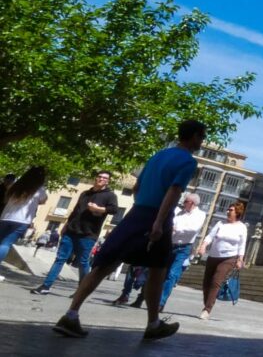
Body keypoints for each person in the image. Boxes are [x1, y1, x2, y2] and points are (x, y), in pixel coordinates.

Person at [51, 119, 207, 342]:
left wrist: (141, 208)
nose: (201, 141)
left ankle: (71, 313)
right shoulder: (188, 162)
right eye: (201, 137)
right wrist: (158, 222)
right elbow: (173, 192)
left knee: (105, 264)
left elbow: (137, 187)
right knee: (158, 269)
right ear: (194, 137)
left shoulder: (158, 155)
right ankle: (153, 324)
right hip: (157, 216)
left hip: (136, 213)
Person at [32, 170, 118, 295]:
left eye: (104, 178)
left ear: (108, 181)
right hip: (71, 231)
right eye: (99, 177)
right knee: (60, 259)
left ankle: (82, 290)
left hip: (88, 234)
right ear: (96, 178)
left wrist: (98, 209)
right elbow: (75, 211)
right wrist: (66, 225)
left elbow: (114, 209)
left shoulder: (110, 195)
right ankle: (46, 286)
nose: (101, 179)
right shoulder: (85, 193)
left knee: (83, 262)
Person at [196, 201, 247, 320]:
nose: (228, 211)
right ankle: (207, 304)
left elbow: (242, 244)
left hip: (229, 258)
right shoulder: (220, 223)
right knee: (206, 283)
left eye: (231, 210)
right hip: (213, 256)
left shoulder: (242, 227)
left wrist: (240, 259)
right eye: (228, 210)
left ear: (237, 212)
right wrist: (203, 245)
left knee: (216, 282)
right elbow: (210, 236)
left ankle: (207, 309)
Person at [158, 192, 205, 311]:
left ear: (192, 203)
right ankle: (149, 297)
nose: (183, 203)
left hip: (184, 248)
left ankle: (161, 302)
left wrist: (176, 229)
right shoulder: (178, 212)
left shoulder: (200, 215)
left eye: (185, 201)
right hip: (170, 245)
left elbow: (193, 229)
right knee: (161, 273)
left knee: (172, 274)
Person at [0, 167, 48, 282]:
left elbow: (6, 197)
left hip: (6, 217)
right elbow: (43, 200)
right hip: (22, 220)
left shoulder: (15, 185)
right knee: (5, 244)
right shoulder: (39, 189)